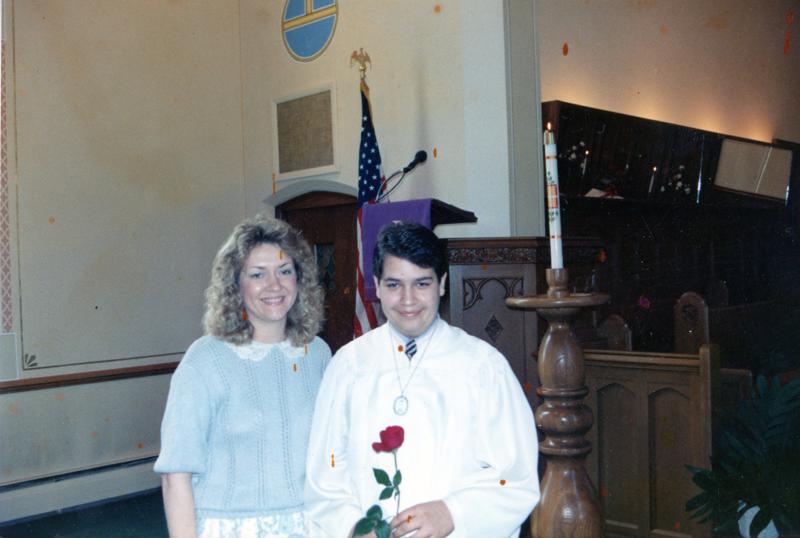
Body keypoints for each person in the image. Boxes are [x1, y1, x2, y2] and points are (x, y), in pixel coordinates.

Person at [305, 221, 539, 538]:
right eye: (394, 284)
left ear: (442, 284)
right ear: (376, 286)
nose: (408, 299)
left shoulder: (483, 367)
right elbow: (325, 474)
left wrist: (453, 512)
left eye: (422, 283)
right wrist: (354, 528)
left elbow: (516, 477)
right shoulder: (349, 365)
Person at [155, 214, 331, 538]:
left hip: (311, 525)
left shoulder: (318, 354)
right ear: (236, 285)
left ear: (300, 278)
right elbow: (175, 475)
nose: (274, 285)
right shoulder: (204, 360)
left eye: (284, 271)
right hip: (230, 528)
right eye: (258, 274)